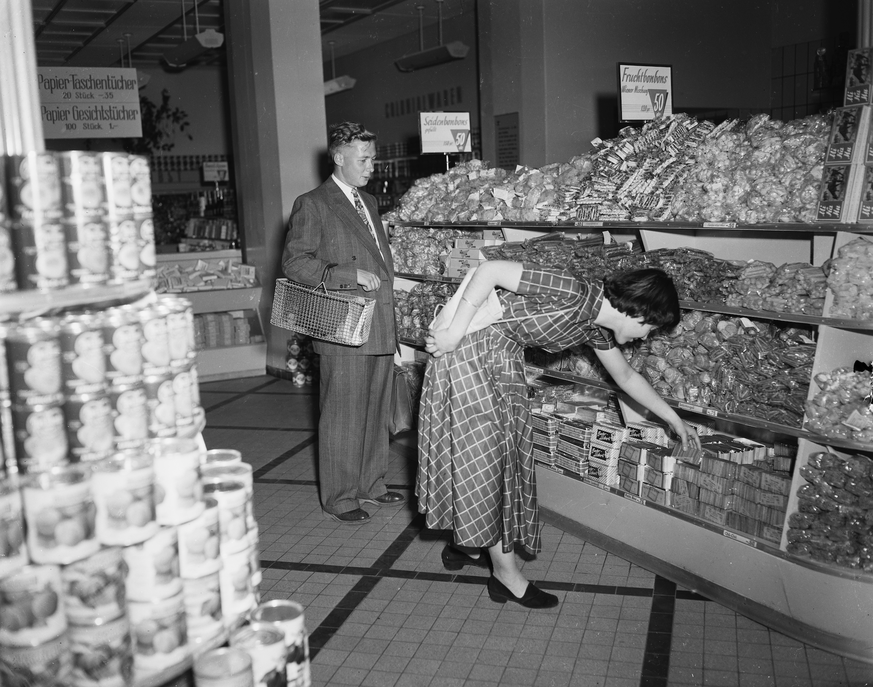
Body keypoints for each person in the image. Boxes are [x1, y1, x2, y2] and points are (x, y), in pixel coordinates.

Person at [417, 260, 701, 608]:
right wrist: (454, 332)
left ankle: (467, 543)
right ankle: (505, 576)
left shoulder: (592, 327)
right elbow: (489, 270)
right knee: (486, 461)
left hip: (500, 365)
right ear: (642, 316)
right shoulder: (574, 290)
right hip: (467, 358)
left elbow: (626, 377)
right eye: (652, 330)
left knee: (496, 461)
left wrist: (675, 420)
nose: (647, 337)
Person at [282, 122, 405, 524]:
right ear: (338, 156)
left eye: (373, 158)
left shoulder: (368, 201)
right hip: (343, 325)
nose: (372, 166)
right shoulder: (312, 203)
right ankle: (339, 497)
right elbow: (295, 262)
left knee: (374, 411)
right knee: (342, 415)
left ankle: (372, 485)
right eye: (363, 158)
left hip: (379, 323)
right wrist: (345, 276)